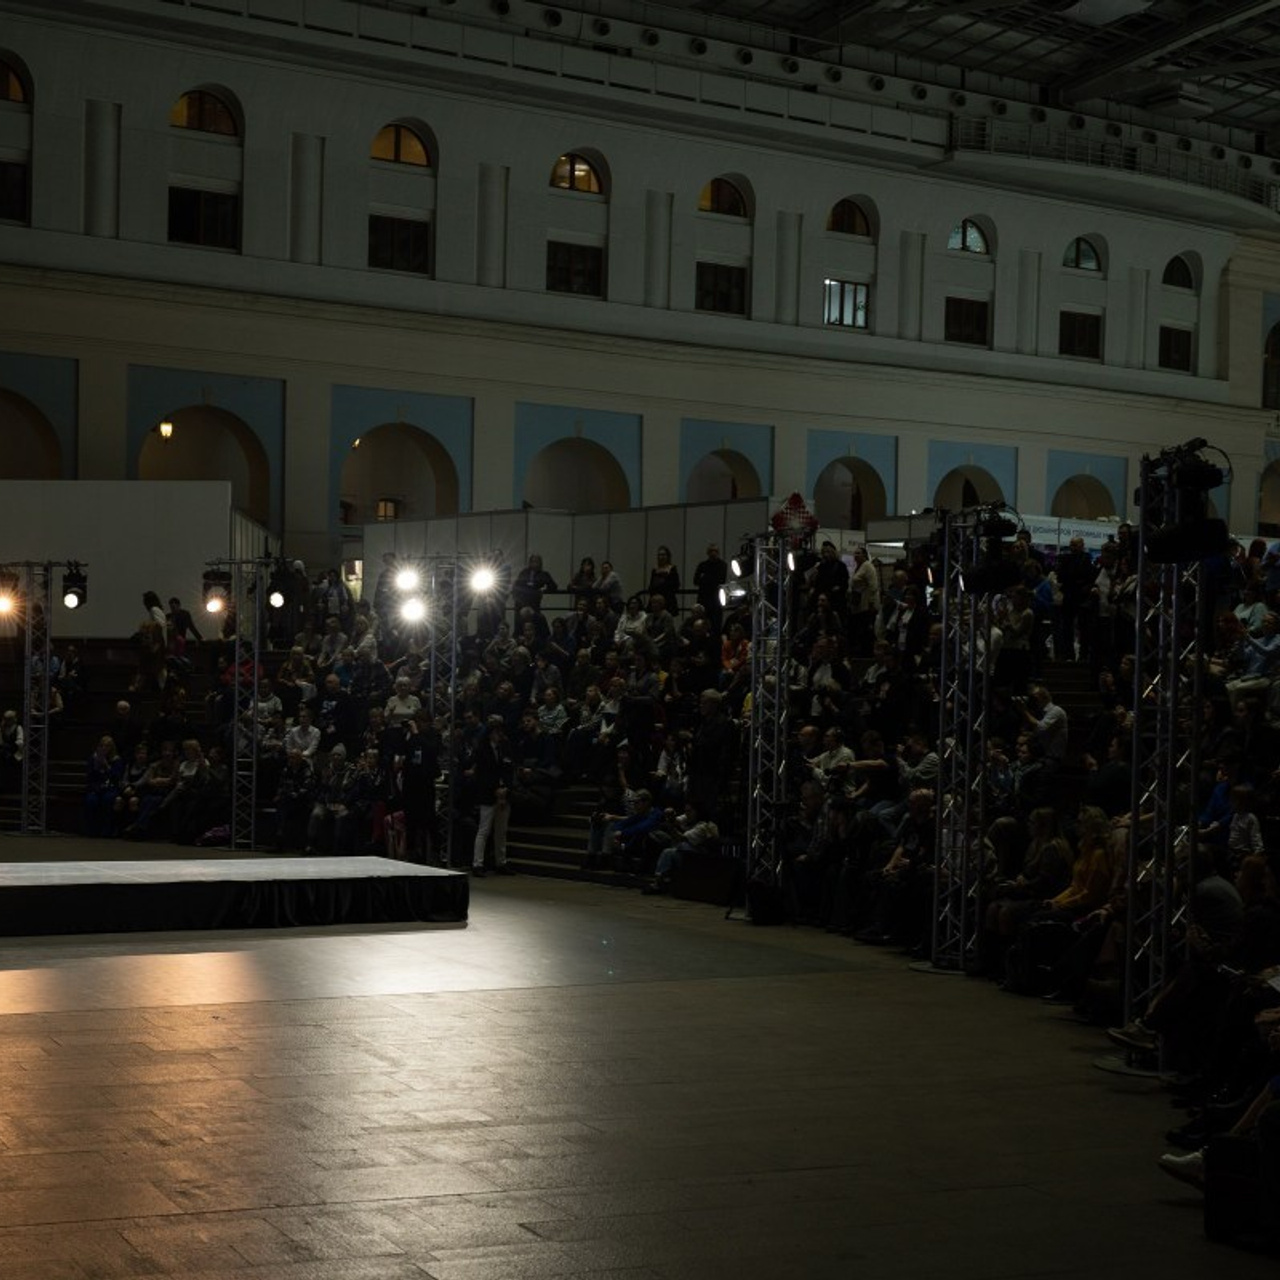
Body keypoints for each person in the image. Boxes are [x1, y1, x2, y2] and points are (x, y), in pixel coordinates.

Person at [468, 716, 514, 876]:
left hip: (504, 793)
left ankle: (501, 862)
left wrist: (506, 788)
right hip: (488, 794)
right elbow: (482, 775)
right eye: (496, 732)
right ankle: (477, 864)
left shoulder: (505, 747)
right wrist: (495, 788)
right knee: (484, 830)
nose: (499, 735)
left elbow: (509, 768)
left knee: (501, 831)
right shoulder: (482, 750)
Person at [692, 544, 728, 632]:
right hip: (704, 600)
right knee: (701, 624)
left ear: (718, 553)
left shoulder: (723, 565)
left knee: (716, 626)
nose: (713, 553)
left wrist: (704, 578)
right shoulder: (702, 565)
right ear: (707, 553)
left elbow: (720, 580)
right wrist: (709, 579)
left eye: (715, 551)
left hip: (716, 600)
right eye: (711, 551)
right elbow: (695, 581)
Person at [647, 545, 681, 615]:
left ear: (668, 556)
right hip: (655, 599)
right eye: (659, 555)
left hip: (668, 599)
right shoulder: (655, 569)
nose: (661, 557)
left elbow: (676, 585)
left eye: (663, 555)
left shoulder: (672, 569)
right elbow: (651, 585)